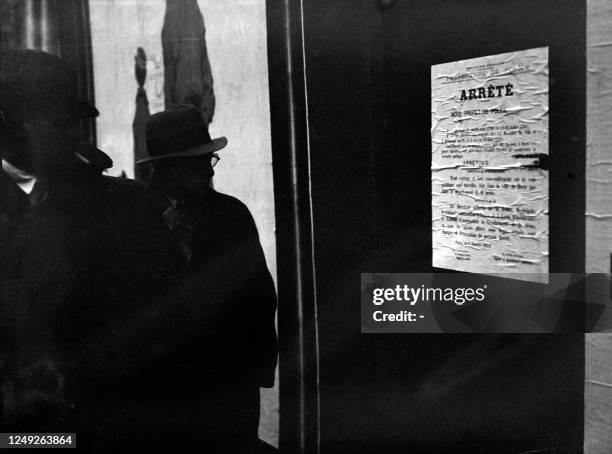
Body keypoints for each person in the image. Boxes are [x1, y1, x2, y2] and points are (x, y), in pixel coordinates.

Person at [0, 49, 182, 450]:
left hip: (107, 423)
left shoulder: (128, 204)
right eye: (58, 122)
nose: (72, 134)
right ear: (11, 125)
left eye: (73, 123)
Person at [136, 105, 278, 452]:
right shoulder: (135, 216)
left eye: (209, 159)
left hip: (229, 383)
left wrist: (256, 373)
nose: (206, 169)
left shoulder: (231, 213)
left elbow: (260, 296)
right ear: (165, 166)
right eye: (194, 161)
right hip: (163, 390)